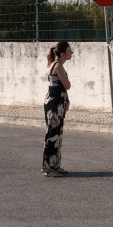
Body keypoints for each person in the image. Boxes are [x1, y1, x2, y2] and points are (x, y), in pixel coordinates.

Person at [42, 41, 73, 177]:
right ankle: (48, 168)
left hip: (56, 102)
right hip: (54, 103)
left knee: (57, 134)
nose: (71, 53)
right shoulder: (58, 66)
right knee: (52, 134)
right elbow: (67, 85)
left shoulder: (56, 65)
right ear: (63, 54)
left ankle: (55, 165)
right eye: (70, 51)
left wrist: (67, 100)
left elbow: (60, 87)